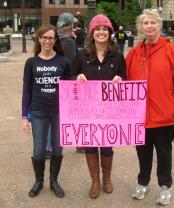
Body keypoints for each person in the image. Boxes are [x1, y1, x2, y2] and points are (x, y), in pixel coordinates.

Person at [125, 10, 174, 206]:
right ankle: (142, 183)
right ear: (141, 27)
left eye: (153, 22)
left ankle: (165, 187)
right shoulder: (134, 53)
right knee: (143, 153)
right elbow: (124, 81)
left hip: (164, 116)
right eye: (146, 23)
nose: (149, 26)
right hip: (140, 116)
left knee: (164, 154)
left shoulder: (171, 51)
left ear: (159, 25)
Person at [72, 14, 126, 199]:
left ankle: (107, 178)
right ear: (92, 32)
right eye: (98, 29)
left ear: (110, 32)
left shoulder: (117, 56)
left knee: (107, 146)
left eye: (105, 29)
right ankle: (95, 181)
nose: (101, 32)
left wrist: (120, 80)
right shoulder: (81, 55)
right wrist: (77, 78)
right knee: (90, 146)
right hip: (87, 110)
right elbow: (71, 78)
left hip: (109, 110)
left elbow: (125, 79)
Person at [21, 24, 71, 198]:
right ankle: (39, 180)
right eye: (45, 37)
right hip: (38, 111)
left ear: (55, 40)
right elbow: (27, 89)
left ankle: (54, 181)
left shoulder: (63, 62)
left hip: (59, 112)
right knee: (39, 150)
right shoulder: (31, 62)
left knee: (57, 149)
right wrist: (23, 116)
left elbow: (70, 89)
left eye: (51, 38)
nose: (48, 40)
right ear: (39, 39)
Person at [57, 12, 85, 153]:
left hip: (54, 82)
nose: (74, 27)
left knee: (54, 115)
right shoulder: (69, 42)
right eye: (73, 24)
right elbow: (74, 62)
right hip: (68, 82)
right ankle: (80, 143)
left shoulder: (54, 38)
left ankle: (49, 147)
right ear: (69, 25)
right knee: (75, 114)